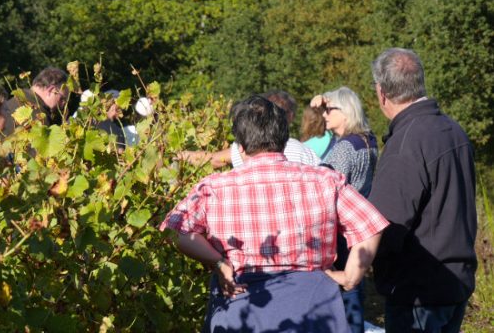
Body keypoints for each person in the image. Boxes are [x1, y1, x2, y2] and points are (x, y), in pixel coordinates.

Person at [160, 94, 389, 332]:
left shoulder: (214, 187)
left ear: (240, 147)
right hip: (314, 307)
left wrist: (219, 263)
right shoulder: (324, 180)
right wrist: (350, 277)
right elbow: (371, 224)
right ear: (284, 139)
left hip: (242, 307)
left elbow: (178, 231)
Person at [369, 48, 477, 333]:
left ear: (381, 93)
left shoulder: (406, 144)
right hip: (453, 282)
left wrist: (361, 262)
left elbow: (386, 226)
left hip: (418, 293)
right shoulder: (453, 131)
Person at [310, 86, 378, 333]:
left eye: (330, 110)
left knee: (345, 293)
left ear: (346, 112)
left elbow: (324, 187)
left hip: (341, 226)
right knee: (356, 285)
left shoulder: (345, 148)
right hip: (359, 224)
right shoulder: (367, 140)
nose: (325, 114)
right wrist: (320, 104)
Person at [178, 90, 320, 167]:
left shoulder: (245, 146)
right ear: (290, 116)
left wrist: (177, 155)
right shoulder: (307, 154)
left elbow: (213, 160)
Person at [1, 67, 69, 135]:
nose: (64, 104)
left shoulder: (14, 101)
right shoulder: (40, 118)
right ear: (51, 90)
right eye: (62, 98)